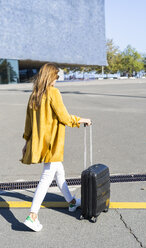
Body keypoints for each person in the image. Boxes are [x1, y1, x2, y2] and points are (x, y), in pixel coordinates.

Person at [21, 63, 91, 232]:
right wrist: (83, 120)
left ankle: (72, 202)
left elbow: (28, 124)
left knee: (59, 172)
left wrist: (26, 143)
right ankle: (32, 215)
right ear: (51, 77)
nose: (57, 80)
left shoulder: (34, 95)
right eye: (57, 77)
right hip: (52, 143)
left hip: (41, 143)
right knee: (46, 178)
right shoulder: (53, 93)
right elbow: (64, 117)